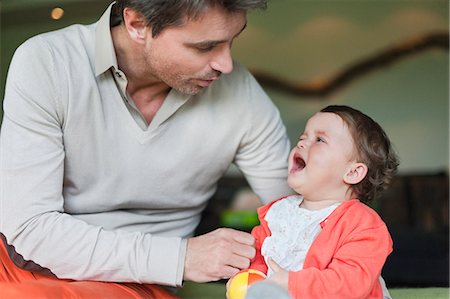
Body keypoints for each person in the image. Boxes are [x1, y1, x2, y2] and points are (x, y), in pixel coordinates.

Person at [0, 0, 293, 297]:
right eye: (205, 47)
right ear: (137, 25)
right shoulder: (47, 62)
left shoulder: (240, 93)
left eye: (234, 39)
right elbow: (30, 229)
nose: (226, 65)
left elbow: (300, 213)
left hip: (132, 284)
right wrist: (182, 257)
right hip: (18, 260)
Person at [228, 105, 399, 299]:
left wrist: (291, 284)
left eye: (320, 140)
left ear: (352, 172)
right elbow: (258, 256)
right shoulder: (278, 212)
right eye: (303, 137)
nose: (302, 143)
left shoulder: (363, 225)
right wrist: (248, 278)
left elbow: (349, 284)